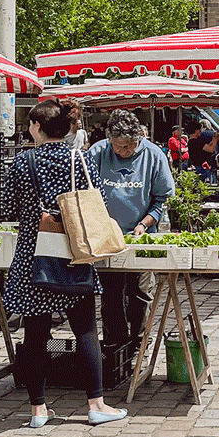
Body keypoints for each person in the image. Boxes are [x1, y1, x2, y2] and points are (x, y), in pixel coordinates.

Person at [0, 99, 125, 428]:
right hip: (73, 251)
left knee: (36, 333)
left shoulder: (23, 161)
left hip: (34, 254)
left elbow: (5, 206)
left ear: (38, 127)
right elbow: (99, 200)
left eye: (30, 124)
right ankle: (96, 404)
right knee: (84, 327)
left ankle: (38, 409)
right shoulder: (79, 159)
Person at [87, 110, 176, 382]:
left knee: (140, 291)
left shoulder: (153, 156)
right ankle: (115, 346)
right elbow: (85, 191)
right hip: (106, 237)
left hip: (141, 235)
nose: (121, 151)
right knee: (110, 294)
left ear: (138, 139)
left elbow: (162, 198)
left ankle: (139, 345)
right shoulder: (98, 153)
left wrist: (146, 223)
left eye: (126, 146)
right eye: (116, 146)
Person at [188, 118, 219, 183]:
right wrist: (215, 140)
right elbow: (211, 149)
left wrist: (213, 140)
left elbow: (207, 146)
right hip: (202, 168)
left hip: (199, 166)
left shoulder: (192, 141)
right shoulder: (196, 142)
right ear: (196, 131)